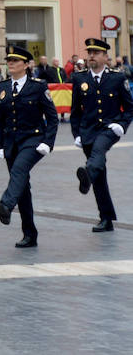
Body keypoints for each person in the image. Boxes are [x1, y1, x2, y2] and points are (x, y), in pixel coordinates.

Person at [0, 46, 58, 247]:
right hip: (11, 142)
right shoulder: (2, 87)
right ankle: (30, 234)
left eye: (15, 60)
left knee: (19, 170)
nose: (10, 63)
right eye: (8, 60)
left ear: (27, 65)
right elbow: (1, 120)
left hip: (33, 140)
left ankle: (6, 205)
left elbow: (52, 117)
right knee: (22, 187)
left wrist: (48, 142)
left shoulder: (38, 86)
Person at [70, 37, 133, 231]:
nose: (91, 56)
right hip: (88, 130)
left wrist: (121, 126)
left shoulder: (117, 77)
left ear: (106, 57)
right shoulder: (79, 78)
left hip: (109, 128)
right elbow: (75, 111)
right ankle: (106, 218)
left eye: (96, 53)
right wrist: (77, 134)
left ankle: (87, 173)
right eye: (89, 53)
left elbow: (129, 108)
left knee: (98, 151)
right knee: (99, 175)